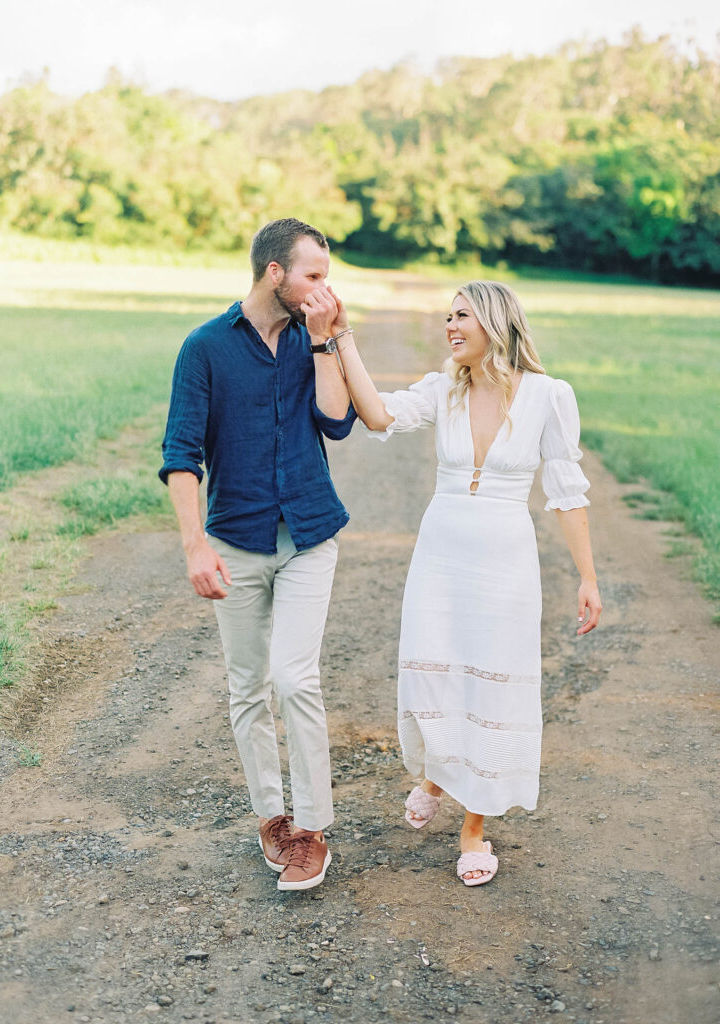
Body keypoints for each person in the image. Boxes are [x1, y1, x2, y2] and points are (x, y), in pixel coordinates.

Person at [332, 280, 602, 886]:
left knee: (492, 686)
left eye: (462, 317)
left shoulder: (547, 397)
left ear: (494, 323)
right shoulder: (443, 389)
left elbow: (567, 493)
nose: (450, 327)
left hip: (504, 562)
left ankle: (473, 827)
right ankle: (436, 774)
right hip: (440, 555)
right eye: (447, 317)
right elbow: (377, 413)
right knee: (436, 669)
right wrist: (342, 336)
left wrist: (588, 577)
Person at [159, 218, 357, 891]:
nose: (323, 287)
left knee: (294, 679)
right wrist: (194, 547)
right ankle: (271, 817)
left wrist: (328, 343)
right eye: (314, 275)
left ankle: (311, 828)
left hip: (309, 534)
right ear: (275, 272)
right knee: (247, 686)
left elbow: (336, 420)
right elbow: (180, 457)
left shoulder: (313, 338)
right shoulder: (205, 349)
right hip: (235, 541)